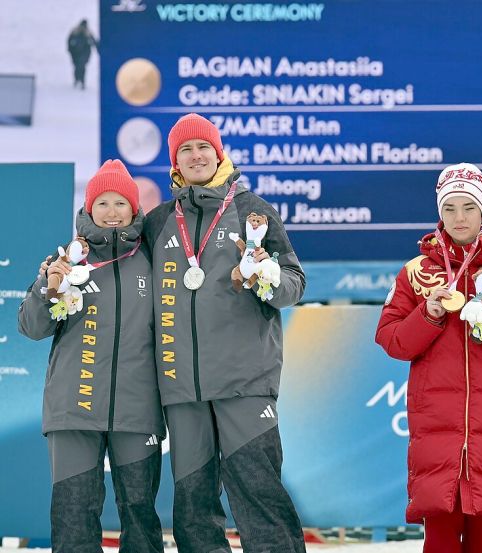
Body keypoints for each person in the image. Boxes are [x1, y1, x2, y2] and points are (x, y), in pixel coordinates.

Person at [143, 113, 307, 552]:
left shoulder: (253, 210)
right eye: (185, 149)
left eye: (203, 147)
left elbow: (294, 284)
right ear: (174, 161)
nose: (196, 156)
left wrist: (265, 276)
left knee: (260, 496)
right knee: (193, 508)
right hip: (182, 390)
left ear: (219, 153)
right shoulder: (158, 221)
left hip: (244, 383)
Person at [376, 163, 482, 552]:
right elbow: (390, 339)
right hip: (436, 427)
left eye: (468, 207)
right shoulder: (417, 272)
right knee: (438, 535)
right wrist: (429, 314)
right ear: (439, 211)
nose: (459, 217)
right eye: (450, 207)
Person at [18, 160, 165, 553]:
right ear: (88, 208)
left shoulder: (153, 260)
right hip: (75, 408)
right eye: (103, 202)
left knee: (140, 513)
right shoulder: (66, 260)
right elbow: (31, 327)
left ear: (135, 209)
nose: (112, 211)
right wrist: (47, 290)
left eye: (121, 202)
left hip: (137, 411)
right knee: (74, 514)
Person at [67, 19, 98, 90]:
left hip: (84, 53)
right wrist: (70, 49)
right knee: (77, 67)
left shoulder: (88, 33)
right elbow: (69, 41)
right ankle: (77, 79)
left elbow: (94, 42)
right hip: (75, 53)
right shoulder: (75, 32)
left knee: (82, 66)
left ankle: (82, 81)